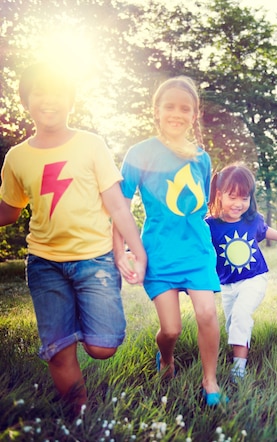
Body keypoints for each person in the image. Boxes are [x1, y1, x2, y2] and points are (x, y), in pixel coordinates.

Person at [0, 62, 147, 415]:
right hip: (44, 264)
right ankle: (78, 416)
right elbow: (8, 211)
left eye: (57, 93)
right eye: (39, 92)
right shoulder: (17, 157)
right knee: (58, 351)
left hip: (94, 260)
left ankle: (82, 320)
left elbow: (117, 205)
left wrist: (135, 251)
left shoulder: (90, 145)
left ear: (70, 100)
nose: (48, 100)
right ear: (26, 100)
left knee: (102, 346)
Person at [112, 76, 226, 406]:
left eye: (185, 108)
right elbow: (119, 204)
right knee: (171, 330)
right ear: (157, 111)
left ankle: (210, 381)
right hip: (158, 254)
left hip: (196, 252)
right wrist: (121, 251)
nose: (177, 113)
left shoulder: (201, 158)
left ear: (194, 115)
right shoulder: (139, 153)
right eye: (170, 106)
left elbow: (200, 206)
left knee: (206, 313)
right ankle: (167, 358)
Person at [206, 164, 277, 381]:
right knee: (231, 322)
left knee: (241, 315)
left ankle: (239, 369)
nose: (239, 204)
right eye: (233, 197)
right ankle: (233, 355)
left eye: (245, 198)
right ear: (219, 195)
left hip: (254, 278)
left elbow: (266, 230)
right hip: (227, 283)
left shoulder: (252, 219)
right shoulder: (210, 225)